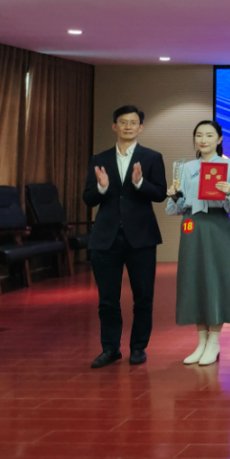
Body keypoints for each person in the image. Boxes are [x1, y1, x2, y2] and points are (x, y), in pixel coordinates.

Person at [82, 105, 167, 368]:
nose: (128, 126)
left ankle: (138, 347)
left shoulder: (152, 157)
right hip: (106, 237)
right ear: (114, 126)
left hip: (141, 237)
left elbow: (160, 193)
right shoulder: (99, 159)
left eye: (133, 122)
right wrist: (101, 188)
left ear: (140, 127)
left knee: (143, 296)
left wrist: (140, 183)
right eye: (123, 122)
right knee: (107, 299)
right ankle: (110, 349)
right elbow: (88, 198)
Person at [166, 120, 230, 366]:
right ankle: (201, 341)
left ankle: (214, 341)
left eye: (209, 135)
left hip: (217, 224)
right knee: (194, 278)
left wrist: (229, 191)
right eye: (199, 135)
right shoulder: (186, 167)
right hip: (192, 225)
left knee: (216, 278)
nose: (203, 140)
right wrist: (174, 196)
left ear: (219, 139)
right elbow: (176, 209)